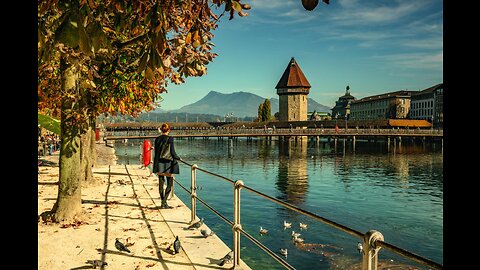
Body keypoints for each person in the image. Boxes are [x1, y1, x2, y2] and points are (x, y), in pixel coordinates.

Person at [153, 123, 181, 209]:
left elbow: (156, 151)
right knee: (170, 183)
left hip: (159, 163)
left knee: (161, 183)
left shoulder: (157, 139)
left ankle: (162, 202)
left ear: (161, 130)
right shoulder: (170, 139)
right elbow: (172, 152)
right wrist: (178, 158)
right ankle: (164, 201)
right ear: (169, 130)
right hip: (168, 163)